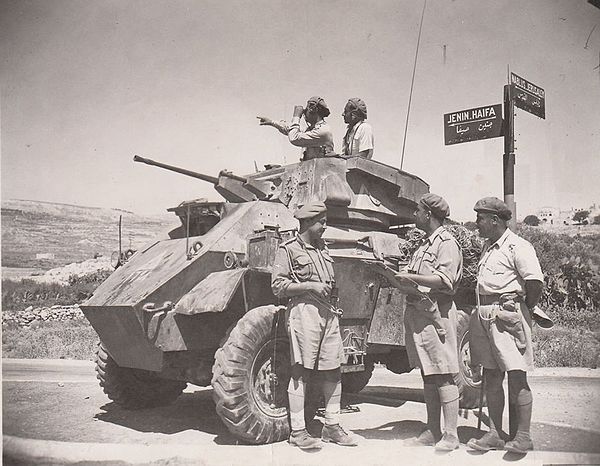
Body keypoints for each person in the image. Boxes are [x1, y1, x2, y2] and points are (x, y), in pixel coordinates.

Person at [271, 201, 358, 450]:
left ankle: (332, 426)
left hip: (329, 314)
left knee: (333, 369)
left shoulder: (323, 248)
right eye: (321, 222)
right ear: (308, 223)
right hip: (304, 312)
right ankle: (298, 431)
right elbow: (277, 287)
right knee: (301, 371)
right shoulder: (287, 250)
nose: (325, 226)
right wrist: (309, 286)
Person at [467, 197, 544, 454]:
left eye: (480, 218)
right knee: (491, 375)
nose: (477, 223)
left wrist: (525, 309)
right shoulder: (488, 248)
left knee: (516, 374)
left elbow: (534, 282)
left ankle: (523, 436)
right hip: (485, 313)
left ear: (494, 220)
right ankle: (495, 434)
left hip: (507, 315)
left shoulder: (517, 246)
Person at [391, 193, 463, 452]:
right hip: (420, 314)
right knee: (429, 374)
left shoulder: (446, 243)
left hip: (436, 315)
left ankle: (451, 435)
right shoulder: (424, 244)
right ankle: (433, 430)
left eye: (417, 211)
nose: (414, 215)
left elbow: (446, 280)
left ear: (428, 215)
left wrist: (411, 277)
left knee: (443, 374)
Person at [258, 96, 335, 161]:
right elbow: (289, 129)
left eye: (306, 110)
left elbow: (294, 138)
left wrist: (296, 116)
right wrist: (271, 122)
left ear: (313, 110)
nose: (304, 113)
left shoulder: (323, 131)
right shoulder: (312, 129)